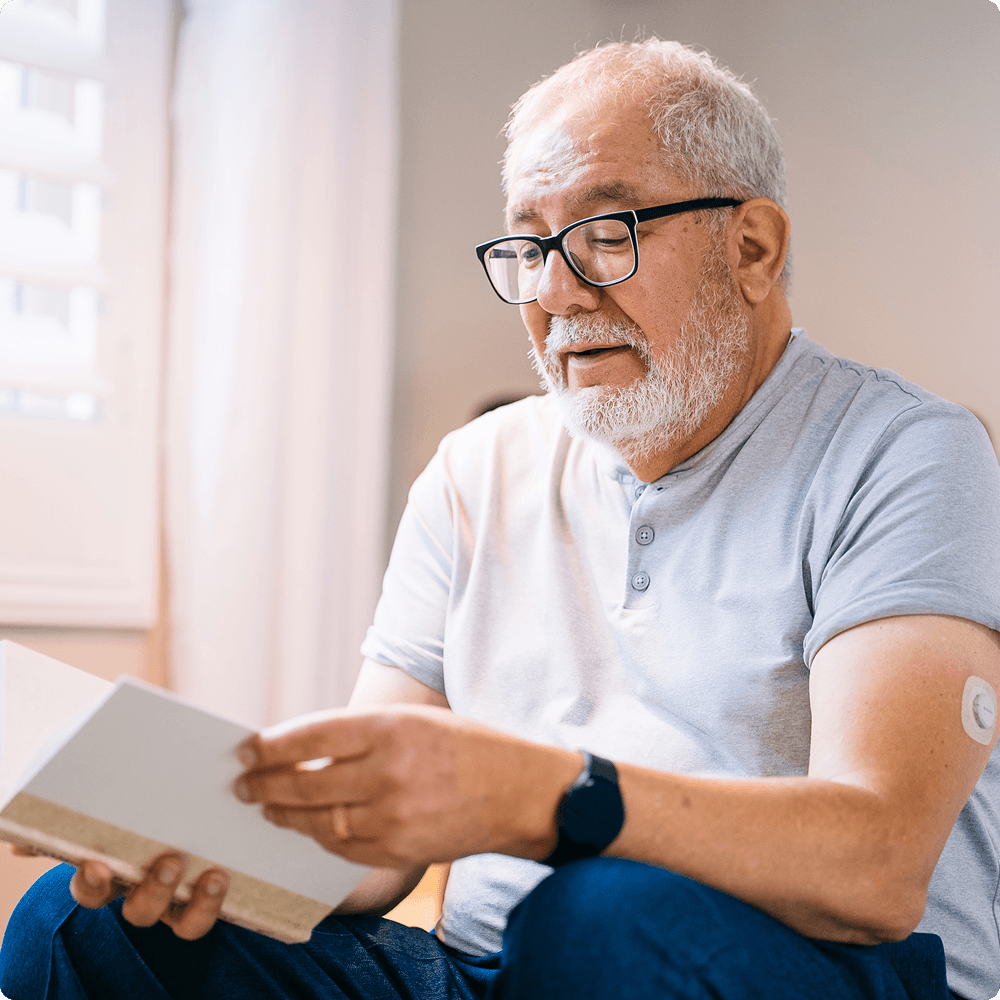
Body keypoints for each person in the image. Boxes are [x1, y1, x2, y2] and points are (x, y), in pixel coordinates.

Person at [2, 38, 999, 1000]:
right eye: (528, 244)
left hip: (812, 966)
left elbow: (876, 865)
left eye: (607, 235)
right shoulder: (475, 469)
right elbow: (370, 850)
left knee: (602, 913)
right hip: (495, 968)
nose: (554, 291)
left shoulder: (906, 450)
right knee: (76, 925)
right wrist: (198, 849)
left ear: (750, 246)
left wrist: (542, 792)